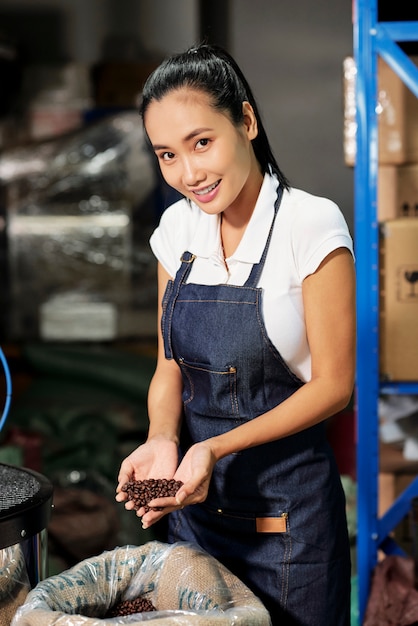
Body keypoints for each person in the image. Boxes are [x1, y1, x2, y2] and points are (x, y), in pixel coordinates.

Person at [116, 43, 355, 626]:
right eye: (167, 155)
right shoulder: (176, 228)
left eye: (202, 143)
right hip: (193, 523)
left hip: (287, 531)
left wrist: (213, 448)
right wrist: (162, 439)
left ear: (246, 122)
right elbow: (169, 365)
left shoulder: (309, 223)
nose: (188, 174)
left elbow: (334, 386)